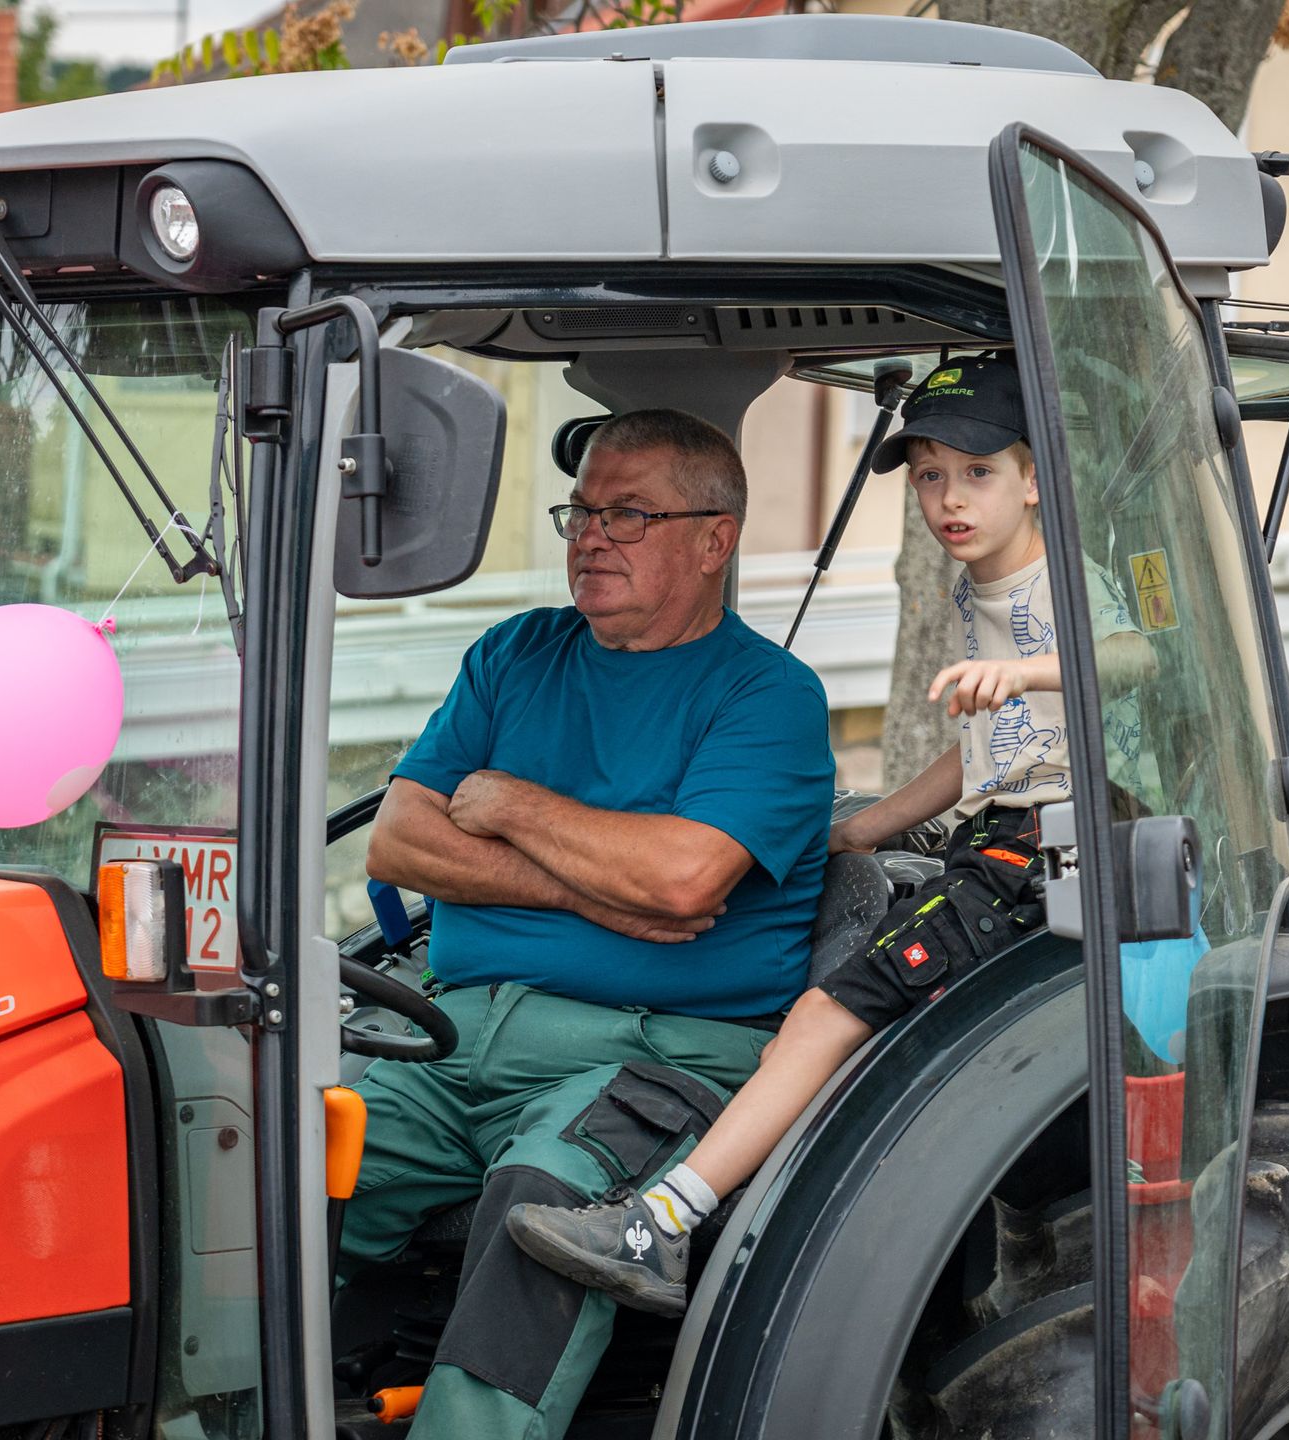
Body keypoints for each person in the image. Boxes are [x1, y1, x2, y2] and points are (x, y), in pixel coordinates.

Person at [505, 354, 1155, 1317]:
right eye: (929, 475)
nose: (948, 499)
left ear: (1034, 478)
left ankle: (658, 1229)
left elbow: (1136, 657)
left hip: (1061, 846)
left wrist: (1029, 674)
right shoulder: (975, 585)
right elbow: (984, 754)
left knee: (825, 1016)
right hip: (1008, 833)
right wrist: (864, 831)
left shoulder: (1055, 578)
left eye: (977, 472)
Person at [347, 408, 835, 1440]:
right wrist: (579, 888)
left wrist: (508, 803)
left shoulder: (769, 696)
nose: (589, 538)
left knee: (548, 1204)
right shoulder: (516, 653)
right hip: (449, 1038)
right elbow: (398, 845)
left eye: (629, 514)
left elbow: (681, 880)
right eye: (580, 512)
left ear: (716, 539)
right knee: (262, 1147)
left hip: (652, 1059)